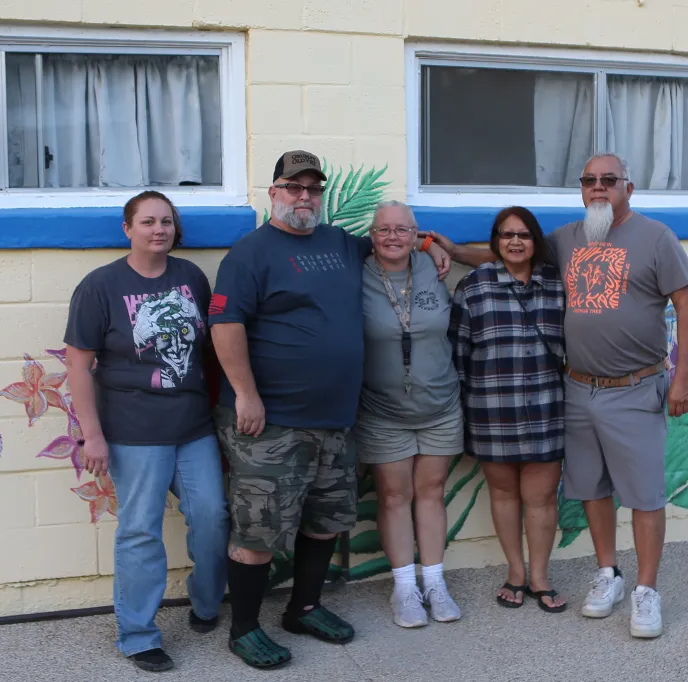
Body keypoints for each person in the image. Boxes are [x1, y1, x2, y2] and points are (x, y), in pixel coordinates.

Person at [424, 153, 688, 640]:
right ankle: (608, 573)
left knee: (644, 495)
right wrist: (448, 248)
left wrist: (683, 379)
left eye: (609, 180)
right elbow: (511, 256)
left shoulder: (656, 238)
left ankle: (647, 591)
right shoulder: (569, 238)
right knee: (592, 489)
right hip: (576, 388)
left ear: (628, 188)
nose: (599, 188)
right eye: (589, 180)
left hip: (634, 387)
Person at [208, 150, 451, 669]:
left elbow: (393, 240)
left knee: (324, 521)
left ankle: (304, 608)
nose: (304, 197)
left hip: (336, 418)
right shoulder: (249, 254)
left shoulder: (341, 243)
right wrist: (245, 393)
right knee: (258, 530)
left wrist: (430, 244)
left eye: (313, 189)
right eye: (293, 187)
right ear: (274, 193)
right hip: (271, 421)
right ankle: (244, 628)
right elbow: (225, 325)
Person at [63, 191, 229, 673]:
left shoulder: (191, 277)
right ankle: (137, 636)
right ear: (128, 229)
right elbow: (78, 366)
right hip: (134, 431)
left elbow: (210, 349)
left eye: (166, 222)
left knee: (213, 517)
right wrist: (92, 435)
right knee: (140, 531)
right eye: (148, 222)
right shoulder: (100, 286)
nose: (159, 230)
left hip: (193, 427)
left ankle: (206, 603)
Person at [448, 206, 568, 614]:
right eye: (506, 234)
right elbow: (458, 353)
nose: (515, 242)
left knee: (542, 496)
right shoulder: (473, 286)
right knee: (503, 493)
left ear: (536, 241)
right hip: (491, 408)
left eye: (524, 235)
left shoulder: (557, 284)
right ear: (496, 241)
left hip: (547, 406)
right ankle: (515, 572)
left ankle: (540, 577)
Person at [354, 200, 463, 629]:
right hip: (382, 409)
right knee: (394, 496)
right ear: (371, 235)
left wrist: (433, 244)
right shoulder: (357, 272)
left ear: (417, 234)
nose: (393, 237)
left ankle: (435, 582)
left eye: (403, 230)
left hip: (440, 404)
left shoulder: (433, 266)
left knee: (431, 491)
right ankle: (404, 588)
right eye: (384, 229)